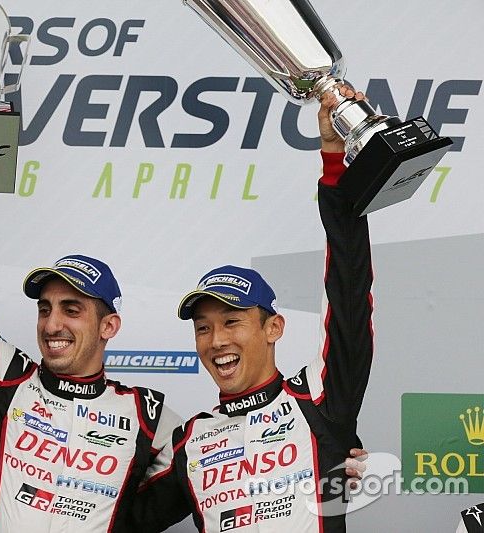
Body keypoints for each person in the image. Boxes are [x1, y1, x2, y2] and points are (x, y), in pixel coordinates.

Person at [133, 85, 376, 532]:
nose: (216, 340)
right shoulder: (194, 440)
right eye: (203, 328)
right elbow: (113, 521)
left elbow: (349, 295)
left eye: (231, 322)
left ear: (273, 327)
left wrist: (334, 161)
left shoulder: (319, 401)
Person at [0, 193, 182, 529]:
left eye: (71, 310)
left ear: (108, 326)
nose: (52, 324)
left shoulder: (146, 413)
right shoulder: (6, 378)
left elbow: (202, 469)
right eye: (45, 309)